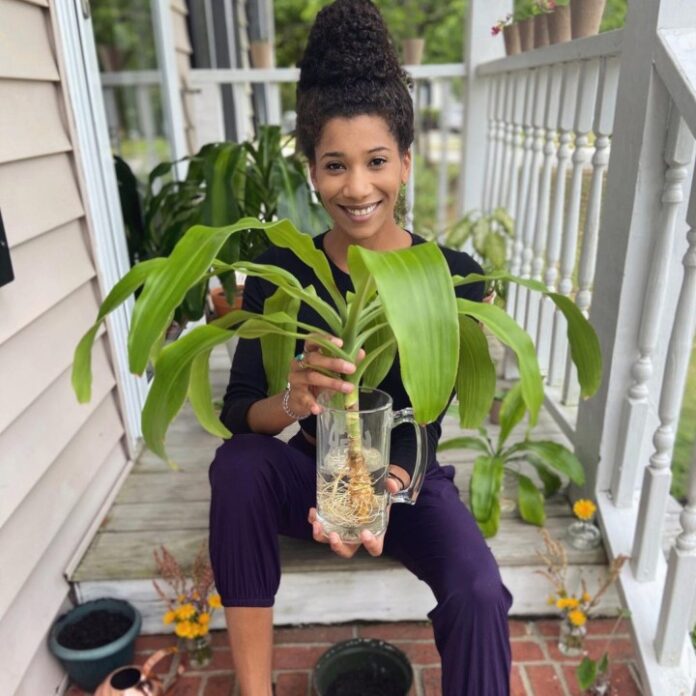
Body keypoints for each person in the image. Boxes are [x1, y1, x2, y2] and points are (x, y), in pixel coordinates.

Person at [208, 1, 513, 694]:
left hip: (405, 481)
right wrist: (292, 397)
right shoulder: (282, 274)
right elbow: (240, 410)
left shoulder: (452, 275)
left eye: (376, 161)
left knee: (479, 590)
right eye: (335, 165)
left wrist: (391, 484)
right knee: (239, 466)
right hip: (309, 468)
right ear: (312, 171)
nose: (357, 187)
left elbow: (432, 416)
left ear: (405, 163)